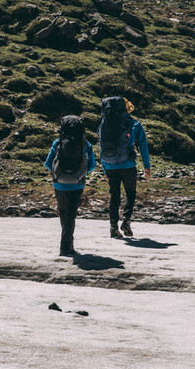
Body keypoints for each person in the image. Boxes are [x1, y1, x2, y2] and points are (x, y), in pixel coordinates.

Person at [98, 96, 151, 239]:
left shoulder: (104, 124)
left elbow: (101, 147)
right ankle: (126, 220)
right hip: (128, 166)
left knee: (114, 196)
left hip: (109, 165)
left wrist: (104, 169)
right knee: (130, 193)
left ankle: (113, 227)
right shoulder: (134, 124)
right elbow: (143, 145)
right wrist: (147, 166)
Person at [44, 115, 94, 257]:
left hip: (59, 184)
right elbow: (91, 166)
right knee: (71, 215)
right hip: (77, 184)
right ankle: (65, 247)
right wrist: (79, 173)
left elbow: (48, 164)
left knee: (64, 212)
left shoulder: (57, 143)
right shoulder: (86, 144)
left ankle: (68, 243)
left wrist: (59, 174)